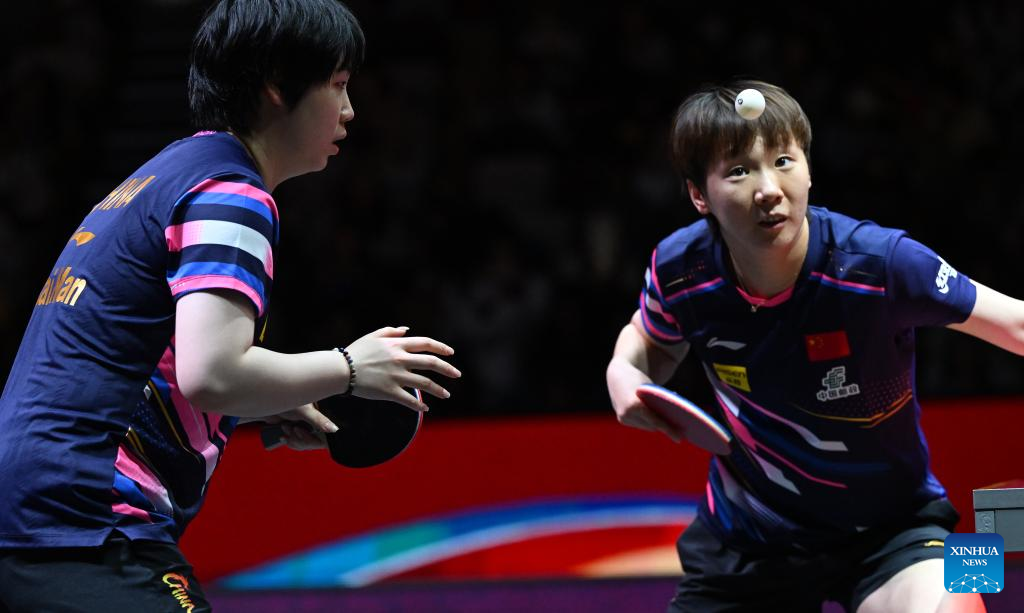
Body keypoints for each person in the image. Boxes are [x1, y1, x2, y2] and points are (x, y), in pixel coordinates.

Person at [0, 1, 460, 610]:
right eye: (338, 85)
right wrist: (350, 367)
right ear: (276, 84)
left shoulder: (168, 174)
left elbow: (138, 357)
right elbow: (211, 373)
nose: (350, 109)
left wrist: (272, 399)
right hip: (85, 517)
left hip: (30, 507)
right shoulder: (232, 194)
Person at [605, 79, 1015, 612]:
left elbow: (1015, 325)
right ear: (698, 195)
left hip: (892, 530)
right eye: (738, 171)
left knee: (957, 603)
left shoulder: (880, 265)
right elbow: (648, 339)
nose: (768, 189)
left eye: (783, 161)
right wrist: (624, 372)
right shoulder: (682, 271)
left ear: (809, 169)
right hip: (750, 537)